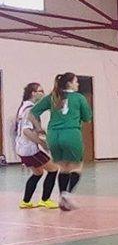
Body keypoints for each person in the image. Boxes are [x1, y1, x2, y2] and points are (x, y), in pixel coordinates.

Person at [29, 73, 92, 211]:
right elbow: (87, 118)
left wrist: (39, 128)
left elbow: (32, 113)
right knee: (77, 167)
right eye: (75, 81)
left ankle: (62, 199)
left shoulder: (53, 96)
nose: (77, 84)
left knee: (63, 167)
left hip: (53, 136)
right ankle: (67, 194)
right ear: (69, 83)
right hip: (70, 133)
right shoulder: (79, 98)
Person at [15, 83, 59, 209]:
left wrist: (39, 130)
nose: (43, 93)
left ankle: (26, 202)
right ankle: (45, 200)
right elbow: (26, 131)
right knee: (53, 169)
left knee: (38, 172)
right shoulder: (30, 109)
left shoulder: (24, 106)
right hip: (29, 149)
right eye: (41, 91)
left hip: (21, 147)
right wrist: (42, 143)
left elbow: (27, 127)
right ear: (33, 93)